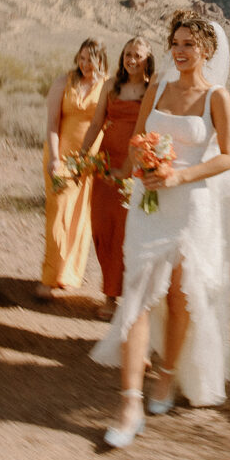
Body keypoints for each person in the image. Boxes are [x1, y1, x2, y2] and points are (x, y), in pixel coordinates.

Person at [91, 10, 230, 448]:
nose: (180, 51)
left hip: (190, 204)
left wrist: (178, 175)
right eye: (175, 43)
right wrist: (137, 167)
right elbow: (139, 140)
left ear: (207, 50)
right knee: (136, 296)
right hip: (149, 203)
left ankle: (168, 374)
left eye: (189, 44)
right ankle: (128, 403)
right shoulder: (156, 89)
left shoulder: (218, 97)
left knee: (178, 297)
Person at [80, 37, 155, 320]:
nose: (131, 59)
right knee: (102, 228)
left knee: (127, 231)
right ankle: (109, 291)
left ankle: (119, 298)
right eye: (127, 54)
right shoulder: (111, 85)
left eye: (137, 55)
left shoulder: (152, 89)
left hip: (134, 165)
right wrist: (82, 156)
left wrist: (135, 166)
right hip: (105, 161)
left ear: (148, 59)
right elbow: (97, 122)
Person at [36, 38, 108, 299]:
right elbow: (53, 124)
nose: (85, 63)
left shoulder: (107, 86)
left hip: (90, 162)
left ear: (101, 59)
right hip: (61, 158)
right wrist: (54, 158)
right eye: (81, 58)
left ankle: (66, 275)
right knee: (57, 216)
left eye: (91, 58)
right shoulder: (63, 82)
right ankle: (48, 277)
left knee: (79, 219)